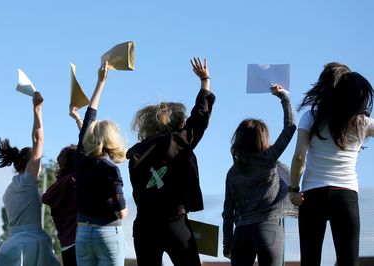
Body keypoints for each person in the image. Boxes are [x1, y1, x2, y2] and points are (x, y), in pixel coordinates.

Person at [126, 57, 215, 266]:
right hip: (173, 221)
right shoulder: (175, 143)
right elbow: (199, 119)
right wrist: (205, 82)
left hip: (144, 225)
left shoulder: (135, 153)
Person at [290, 65, 373, 266]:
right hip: (346, 195)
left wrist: (294, 189)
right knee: (348, 261)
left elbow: (299, 157)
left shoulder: (311, 117)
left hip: (312, 195)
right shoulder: (362, 122)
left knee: (310, 261)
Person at [221, 84, 296, 266]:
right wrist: (284, 97)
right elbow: (290, 127)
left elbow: (227, 213)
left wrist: (227, 243)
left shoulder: (232, 172)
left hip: (241, 234)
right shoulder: (268, 159)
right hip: (268, 229)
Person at [0, 92, 60, 266]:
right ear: (31, 163)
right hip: (32, 245)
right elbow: (38, 140)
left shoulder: (9, 190)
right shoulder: (28, 181)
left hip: (10, 246)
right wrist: (37, 109)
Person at [74, 61, 128, 266]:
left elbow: (89, 118)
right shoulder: (110, 170)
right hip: (107, 233)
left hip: (82, 234)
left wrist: (100, 82)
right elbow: (121, 210)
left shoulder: (80, 159)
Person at [42, 145, 78, 266]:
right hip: (82, 239)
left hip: (66, 242)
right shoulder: (77, 181)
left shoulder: (58, 185)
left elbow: (46, 198)